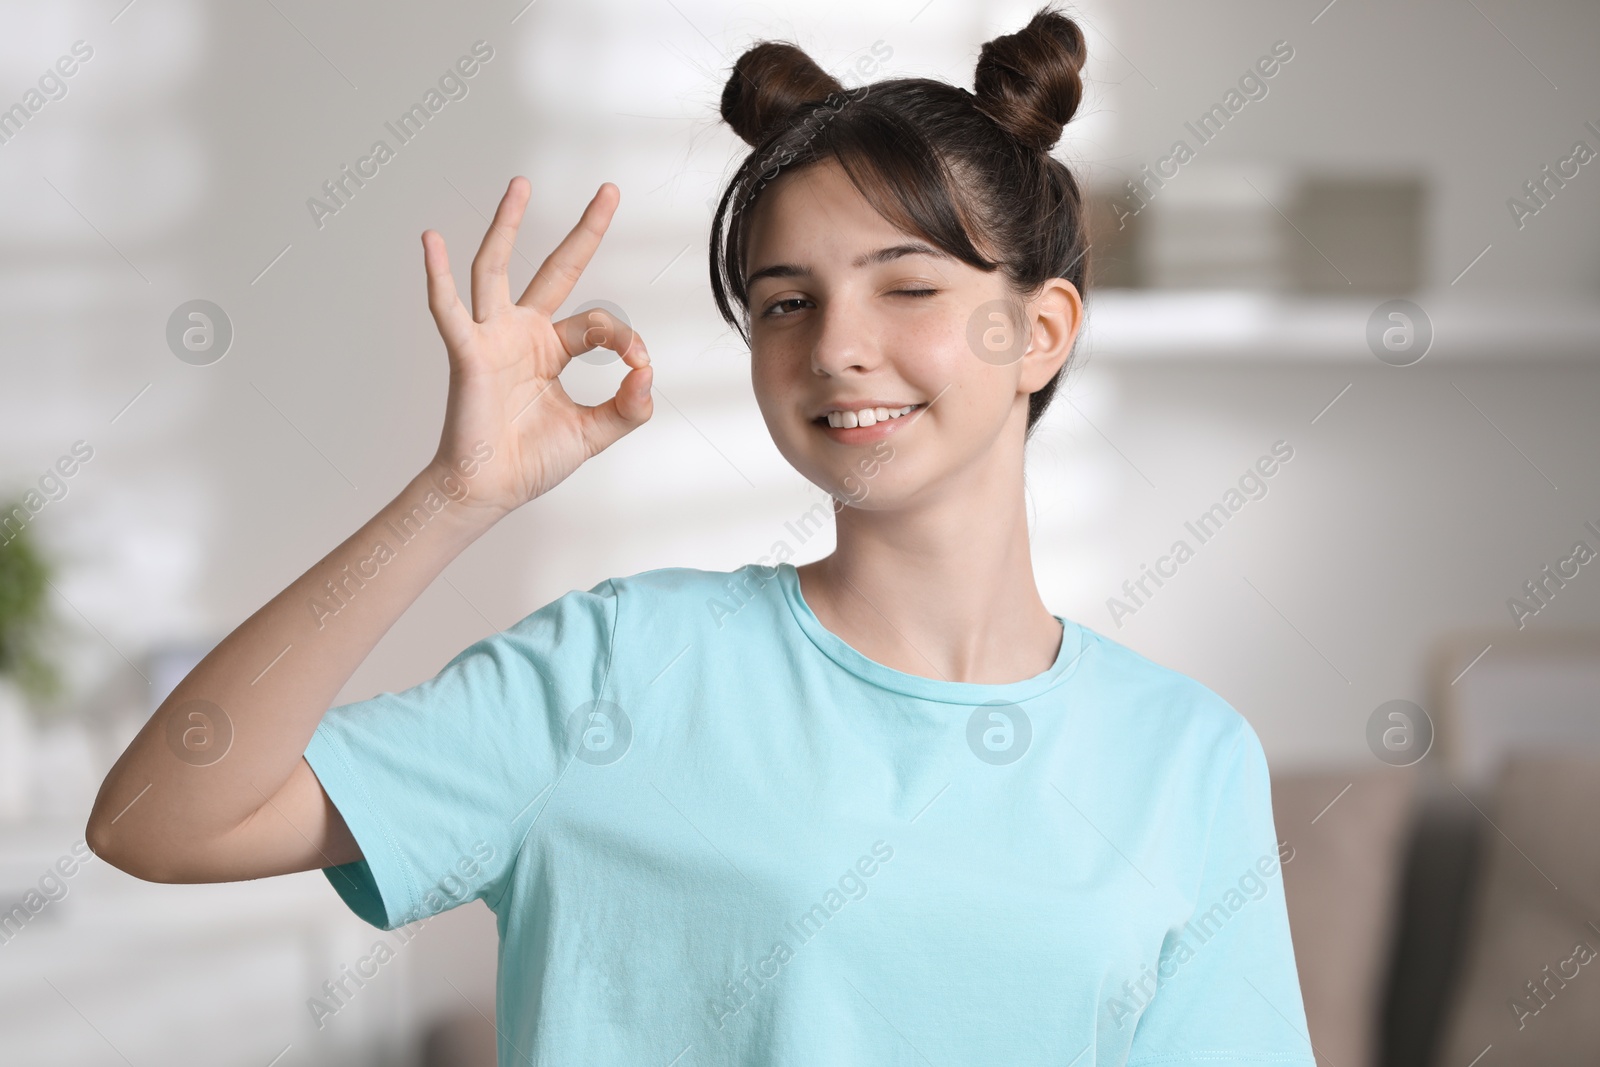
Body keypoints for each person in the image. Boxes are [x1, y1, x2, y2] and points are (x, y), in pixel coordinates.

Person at [87, 5, 1315, 1063]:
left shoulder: (1185, 759)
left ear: (1039, 331)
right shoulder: (617, 671)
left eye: (907, 284)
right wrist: (453, 495)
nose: (836, 344)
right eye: (788, 301)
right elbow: (156, 816)